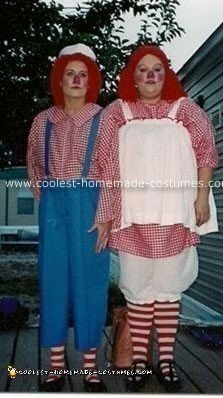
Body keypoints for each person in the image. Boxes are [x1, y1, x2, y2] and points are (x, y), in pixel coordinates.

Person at [95, 45, 219, 392]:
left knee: (168, 292)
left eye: (158, 69)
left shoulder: (185, 110)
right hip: (131, 216)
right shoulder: (116, 113)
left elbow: (206, 151)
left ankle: (165, 360)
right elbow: (103, 164)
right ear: (132, 76)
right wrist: (105, 214)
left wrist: (201, 195)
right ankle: (138, 361)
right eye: (143, 69)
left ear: (167, 75)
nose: (150, 75)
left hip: (174, 214)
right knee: (138, 293)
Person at [27, 43, 111, 393]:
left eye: (83, 75)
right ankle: (55, 366)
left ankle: (91, 368)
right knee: (53, 280)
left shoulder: (103, 119)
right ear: (59, 82)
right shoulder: (42, 121)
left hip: (89, 204)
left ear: (91, 81)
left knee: (90, 282)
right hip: (54, 204)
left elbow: (112, 170)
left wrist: (105, 215)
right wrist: (46, 198)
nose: (76, 80)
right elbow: (33, 165)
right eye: (69, 75)